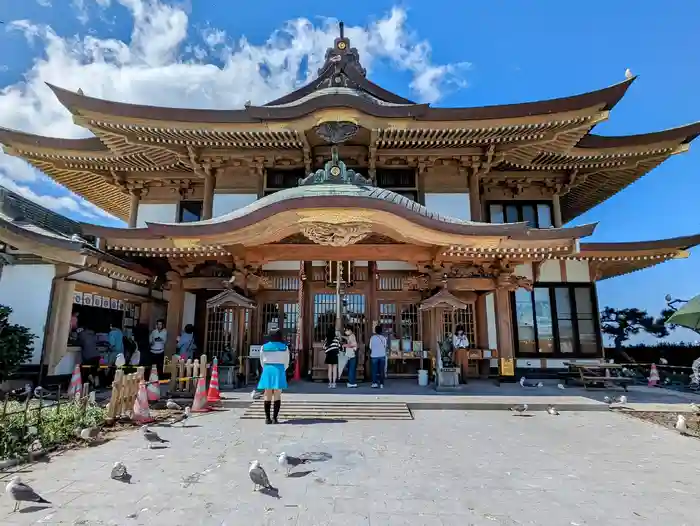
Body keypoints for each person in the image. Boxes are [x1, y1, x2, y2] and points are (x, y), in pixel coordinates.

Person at [257, 329, 290, 424]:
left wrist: (266, 367)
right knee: (277, 394)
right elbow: (286, 362)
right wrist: (282, 369)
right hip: (279, 369)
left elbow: (261, 361)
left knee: (267, 394)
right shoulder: (284, 347)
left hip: (267, 369)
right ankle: (275, 418)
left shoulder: (264, 347)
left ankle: (267, 418)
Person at [77, 324, 101, 388]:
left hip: (88, 356)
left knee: (86, 370)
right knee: (95, 370)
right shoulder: (93, 334)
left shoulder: (82, 334)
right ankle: (97, 384)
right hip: (97, 355)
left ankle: (92, 382)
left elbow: (79, 343)